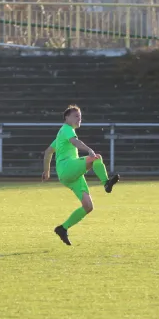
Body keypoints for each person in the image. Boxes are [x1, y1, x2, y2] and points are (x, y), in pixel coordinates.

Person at [42, 104, 120, 246]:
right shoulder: (66, 129)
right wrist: (89, 149)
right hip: (67, 167)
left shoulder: (61, 133)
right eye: (76, 116)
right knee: (96, 157)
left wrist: (46, 171)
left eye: (80, 117)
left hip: (69, 175)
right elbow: (75, 142)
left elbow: (48, 151)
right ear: (67, 117)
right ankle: (106, 182)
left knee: (88, 206)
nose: (79, 119)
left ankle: (62, 228)